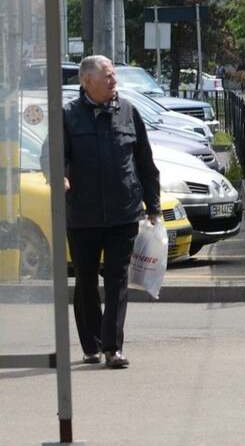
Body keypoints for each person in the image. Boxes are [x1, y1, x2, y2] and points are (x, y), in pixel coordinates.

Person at [63, 55, 160, 368]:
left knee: (117, 280)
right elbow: (52, 155)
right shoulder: (68, 115)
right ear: (87, 81)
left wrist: (153, 205)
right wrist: (61, 175)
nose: (114, 81)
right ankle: (91, 345)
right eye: (107, 76)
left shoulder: (128, 111)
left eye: (114, 75)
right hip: (83, 215)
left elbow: (145, 162)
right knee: (86, 281)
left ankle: (112, 347)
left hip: (123, 212)